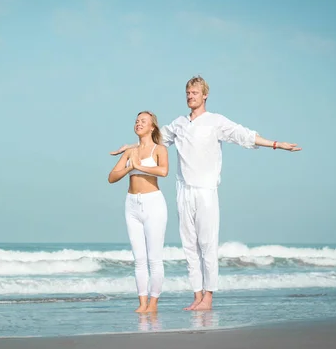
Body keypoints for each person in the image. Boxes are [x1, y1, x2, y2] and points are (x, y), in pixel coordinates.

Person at [110, 76, 302, 311]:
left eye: (195, 93)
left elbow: (244, 135)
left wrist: (276, 144)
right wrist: (129, 147)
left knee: (207, 244)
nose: (190, 96)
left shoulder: (215, 121)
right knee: (189, 246)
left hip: (206, 190)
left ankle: (208, 297)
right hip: (184, 191)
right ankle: (197, 295)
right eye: (188, 93)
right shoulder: (179, 124)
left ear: (205, 95)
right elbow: (155, 140)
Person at [108, 111, 169, 313]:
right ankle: (142, 304)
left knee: (154, 259)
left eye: (143, 121)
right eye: (136, 121)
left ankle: (153, 304)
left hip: (153, 204)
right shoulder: (129, 152)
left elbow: (163, 171)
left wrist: (139, 166)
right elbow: (112, 176)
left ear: (152, 127)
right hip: (131, 204)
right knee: (139, 260)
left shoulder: (159, 149)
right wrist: (129, 167)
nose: (138, 123)